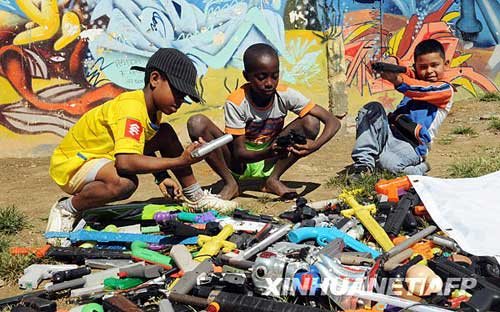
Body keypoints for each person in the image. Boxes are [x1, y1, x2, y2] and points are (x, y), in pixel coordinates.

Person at [47, 48, 239, 238]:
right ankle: (67, 208)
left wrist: (161, 175)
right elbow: (125, 162)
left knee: (165, 134)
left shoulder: (151, 109)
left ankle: (196, 198)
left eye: (184, 97)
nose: (181, 101)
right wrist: (180, 161)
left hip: (100, 159)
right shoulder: (132, 109)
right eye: (178, 92)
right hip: (74, 164)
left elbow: (140, 145)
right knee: (124, 183)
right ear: (155, 79)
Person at [187, 43, 341, 200]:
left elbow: (333, 122)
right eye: (261, 77)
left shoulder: (285, 94)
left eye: (275, 76)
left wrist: (315, 145)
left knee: (311, 121)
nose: (269, 83)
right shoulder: (237, 101)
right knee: (197, 123)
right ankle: (231, 183)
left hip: (271, 158)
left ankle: (272, 179)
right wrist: (268, 151)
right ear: (247, 76)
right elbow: (239, 153)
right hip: (239, 162)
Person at [349, 39, 453, 181]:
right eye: (423, 67)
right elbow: (406, 70)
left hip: (412, 144)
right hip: (390, 132)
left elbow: (418, 88)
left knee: (388, 164)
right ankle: (363, 166)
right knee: (371, 109)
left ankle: (420, 168)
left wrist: (396, 79)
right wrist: (393, 61)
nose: (429, 71)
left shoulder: (445, 89)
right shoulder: (415, 76)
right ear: (416, 67)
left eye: (434, 65)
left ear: (446, 64)